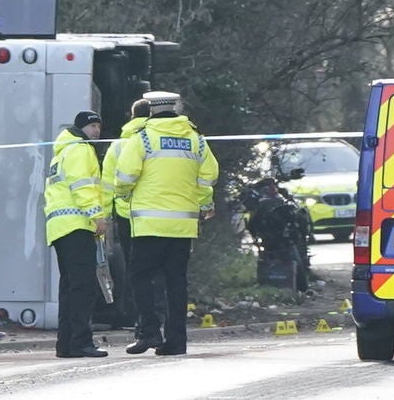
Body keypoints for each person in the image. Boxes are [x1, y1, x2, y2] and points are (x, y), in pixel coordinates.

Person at [106, 90, 217, 354]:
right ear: (175, 108)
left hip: (148, 225)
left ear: (152, 109)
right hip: (182, 226)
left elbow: (124, 175)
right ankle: (177, 342)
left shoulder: (142, 138)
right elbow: (208, 175)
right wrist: (204, 203)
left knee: (140, 278)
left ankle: (150, 331)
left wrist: (123, 195)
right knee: (176, 282)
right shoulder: (196, 139)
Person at [44, 109, 113, 357]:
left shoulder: (60, 154)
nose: (97, 131)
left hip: (60, 228)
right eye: (92, 126)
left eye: (98, 126)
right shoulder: (81, 150)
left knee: (69, 287)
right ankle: (81, 342)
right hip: (77, 224)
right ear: (81, 127)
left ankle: (66, 344)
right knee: (83, 288)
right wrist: (97, 216)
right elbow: (82, 186)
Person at [244, 161, 312, 294]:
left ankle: (299, 286)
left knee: (302, 214)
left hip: (284, 238)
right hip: (271, 238)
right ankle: (284, 285)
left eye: (272, 186)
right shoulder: (258, 201)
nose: (271, 188)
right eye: (269, 186)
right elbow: (252, 222)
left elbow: (296, 216)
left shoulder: (282, 199)